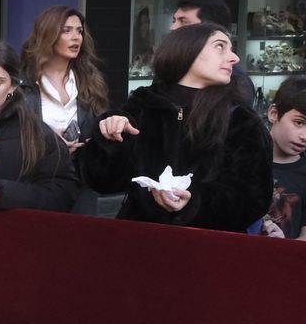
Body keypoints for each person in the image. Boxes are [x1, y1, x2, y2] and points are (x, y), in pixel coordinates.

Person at [79, 22, 271, 232]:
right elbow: (103, 182)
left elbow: (254, 199)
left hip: (210, 249)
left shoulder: (241, 120)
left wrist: (195, 203)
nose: (234, 58)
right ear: (187, 49)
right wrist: (108, 138)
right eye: (220, 47)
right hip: (140, 244)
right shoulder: (142, 106)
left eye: (231, 49)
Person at [0, 40, 80, 212]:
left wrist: (6, 194)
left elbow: (62, 193)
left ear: (12, 86)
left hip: (12, 233)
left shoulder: (36, 132)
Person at [20, 5, 108, 153]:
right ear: (48, 35)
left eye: (79, 31)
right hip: (38, 170)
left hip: (80, 171)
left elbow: (100, 123)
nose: (76, 37)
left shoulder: (90, 80)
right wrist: (46, 138)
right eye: (66, 31)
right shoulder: (23, 83)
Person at [172, 0, 258, 108]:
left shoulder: (236, 82)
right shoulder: (170, 68)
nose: (173, 28)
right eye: (175, 20)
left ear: (212, 28)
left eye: (184, 21)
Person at [262, 75, 306, 239]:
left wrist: (284, 244)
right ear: (274, 113)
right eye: (299, 122)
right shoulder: (244, 161)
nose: (304, 136)